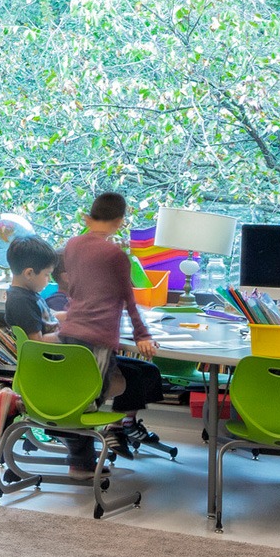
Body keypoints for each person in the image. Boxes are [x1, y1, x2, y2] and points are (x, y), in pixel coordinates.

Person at [57, 192, 163, 458]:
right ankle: (81, 462)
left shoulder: (72, 245)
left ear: (88, 217)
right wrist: (143, 335)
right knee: (92, 397)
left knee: (76, 393)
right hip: (98, 336)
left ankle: (99, 442)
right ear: (120, 221)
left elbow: (74, 289)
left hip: (70, 331)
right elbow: (128, 299)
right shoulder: (115, 255)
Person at [2, 235, 59, 342]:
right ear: (29, 273)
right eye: (47, 274)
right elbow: (37, 342)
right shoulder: (21, 302)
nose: (49, 279)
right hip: (48, 356)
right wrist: (66, 335)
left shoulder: (28, 293)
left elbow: (47, 318)